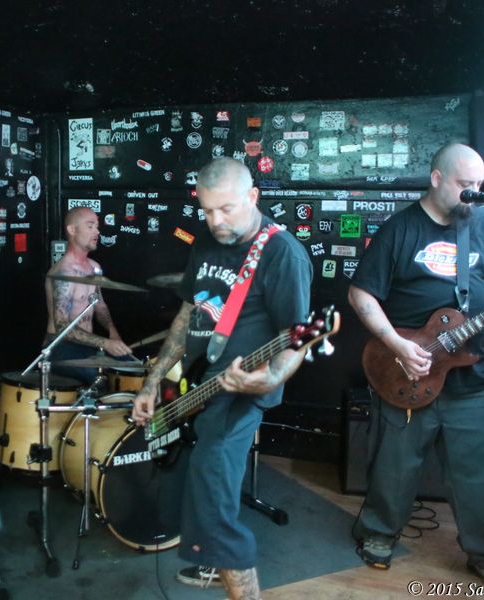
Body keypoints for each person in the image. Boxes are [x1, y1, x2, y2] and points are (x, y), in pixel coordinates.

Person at [348, 143, 484, 598]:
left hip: (474, 378)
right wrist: (398, 345)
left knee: (480, 476)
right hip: (409, 370)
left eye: (479, 184)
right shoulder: (401, 229)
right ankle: (378, 534)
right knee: (394, 467)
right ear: (436, 178)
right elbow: (361, 293)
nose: (473, 193)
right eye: (464, 184)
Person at [132, 157, 312, 600]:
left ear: (253, 196)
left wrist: (268, 380)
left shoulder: (281, 253)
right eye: (208, 210)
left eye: (226, 209)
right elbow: (188, 313)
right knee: (194, 488)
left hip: (239, 394)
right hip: (197, 386)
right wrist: (153, 381)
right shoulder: (208, 241)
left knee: (213, 501)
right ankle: (211, 560)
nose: (216, 221)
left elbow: (298, 338)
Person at [44, 206, 132, 385]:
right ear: (72, 230)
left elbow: (100, 306)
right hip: (59, 347)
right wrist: (106, 344)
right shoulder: (63, 272)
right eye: (90, 226)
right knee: (101, 378)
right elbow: (62, 327)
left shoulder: (94, 267)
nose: (97, 232)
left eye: (97, 226)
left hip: (87, 346)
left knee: (130, 368)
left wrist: (113, 333)